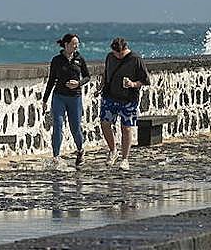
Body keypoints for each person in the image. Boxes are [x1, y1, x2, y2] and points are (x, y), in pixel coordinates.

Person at [99, 36, 151, 170]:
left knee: (126, 128)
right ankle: (113, 151)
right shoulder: (110, 57)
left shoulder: (135, 59)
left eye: (119, 54)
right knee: (105, 124)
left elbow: (145, 80)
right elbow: (106, 74)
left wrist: (133, 84)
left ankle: (125, 159)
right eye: (115, 53)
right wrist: (101, 85)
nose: (117, 56)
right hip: (110, 96)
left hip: (128, 99)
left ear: (125, 49)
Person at [42, 32, 90, 171]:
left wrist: (78, 83)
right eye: (74, 44)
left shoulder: (79, 59)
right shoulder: (56, 60)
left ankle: (80, 151)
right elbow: (51, 80)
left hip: (75, 97)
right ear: (66, 44)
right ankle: (56, 156)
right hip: (59, 96)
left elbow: (87, 77)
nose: (76, 47)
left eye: (77, 44)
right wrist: (45, 99)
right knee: (57, 125)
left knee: (75, 128)